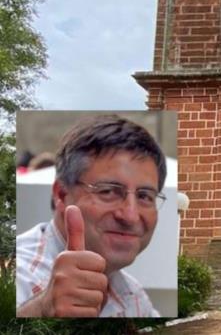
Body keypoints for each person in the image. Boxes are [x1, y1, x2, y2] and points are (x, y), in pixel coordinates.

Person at [16, 115, 167, 317]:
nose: (130, 216)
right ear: (61, 194)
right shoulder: (17, 274)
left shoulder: (134, 297)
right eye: (108, 191)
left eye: (144, 196)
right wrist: (41, 311)